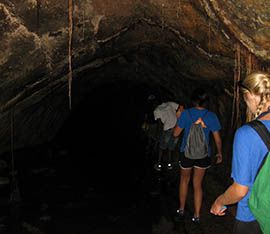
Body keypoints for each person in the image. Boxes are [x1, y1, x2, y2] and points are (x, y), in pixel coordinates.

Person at [210, 71, 269, 234]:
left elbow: (240, 190)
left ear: (250, 95)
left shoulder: (247, 134)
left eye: (244, 98)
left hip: (253, 216)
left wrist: (219, 201)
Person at [173, 88, 222, 223]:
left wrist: (178, 118)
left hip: (186, 154)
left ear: (193, 100)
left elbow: (175, 134)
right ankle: (197, 215)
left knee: (184, 181)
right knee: (197, 184)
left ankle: (181, 210)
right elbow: (217, 138)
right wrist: (219, 153)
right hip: (203, 155)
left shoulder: (186, 114)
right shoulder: (212, 116)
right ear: (206, 102)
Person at [153, 101, 184, 171]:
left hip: (168, 129)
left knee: (162, 147)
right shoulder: (169, 103)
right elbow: (180, 108)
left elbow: (159, 124)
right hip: (177, 128)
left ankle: (159, 163)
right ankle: (169, 164)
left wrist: (158, 135)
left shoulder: (156, 110)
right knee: (171, 147)